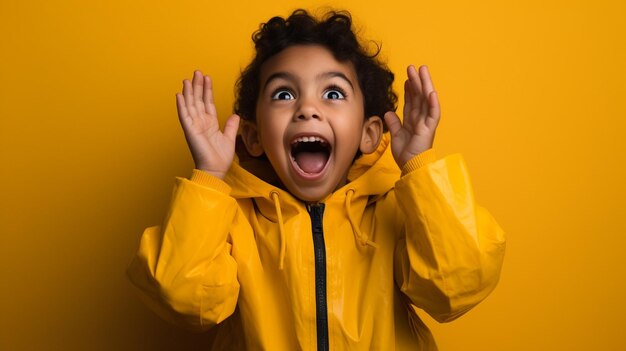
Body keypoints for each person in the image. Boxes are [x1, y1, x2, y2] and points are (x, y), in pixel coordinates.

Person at [127, 9, 505, 351]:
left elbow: (459, 286)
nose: (307, 109)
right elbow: (181, 298)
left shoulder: (397, 209)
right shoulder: (233, 221)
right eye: (284, 93)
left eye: (333, 92)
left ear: (368, 134)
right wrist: (209, 174)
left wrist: (418, 167)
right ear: (254, 137)